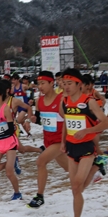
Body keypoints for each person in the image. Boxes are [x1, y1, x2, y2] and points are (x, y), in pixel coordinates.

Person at [60, 69, 108, 217]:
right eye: (64, 83)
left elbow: (106, 123)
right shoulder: (65, 102)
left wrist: (87, 131)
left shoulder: (89, 101)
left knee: (76, 185)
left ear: (79, 84)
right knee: (75, 188)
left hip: (86, 147)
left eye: (70, 84)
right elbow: (66, 123)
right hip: (71, 146)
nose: (66, 87)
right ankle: (97, 166)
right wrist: (62, 142)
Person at [26, 71, 69, 208]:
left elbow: (68, 121)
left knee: (40, 162)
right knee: (69, 168)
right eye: (39, 84)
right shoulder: (39, 101)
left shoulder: (61, 99)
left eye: (43, 83)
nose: (40, 86)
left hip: (60, 140)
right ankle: (92, 170)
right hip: (48, 140)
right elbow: (40, 120)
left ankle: (40, 196)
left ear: (52, 83)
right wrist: (33, 119)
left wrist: (64, 141)